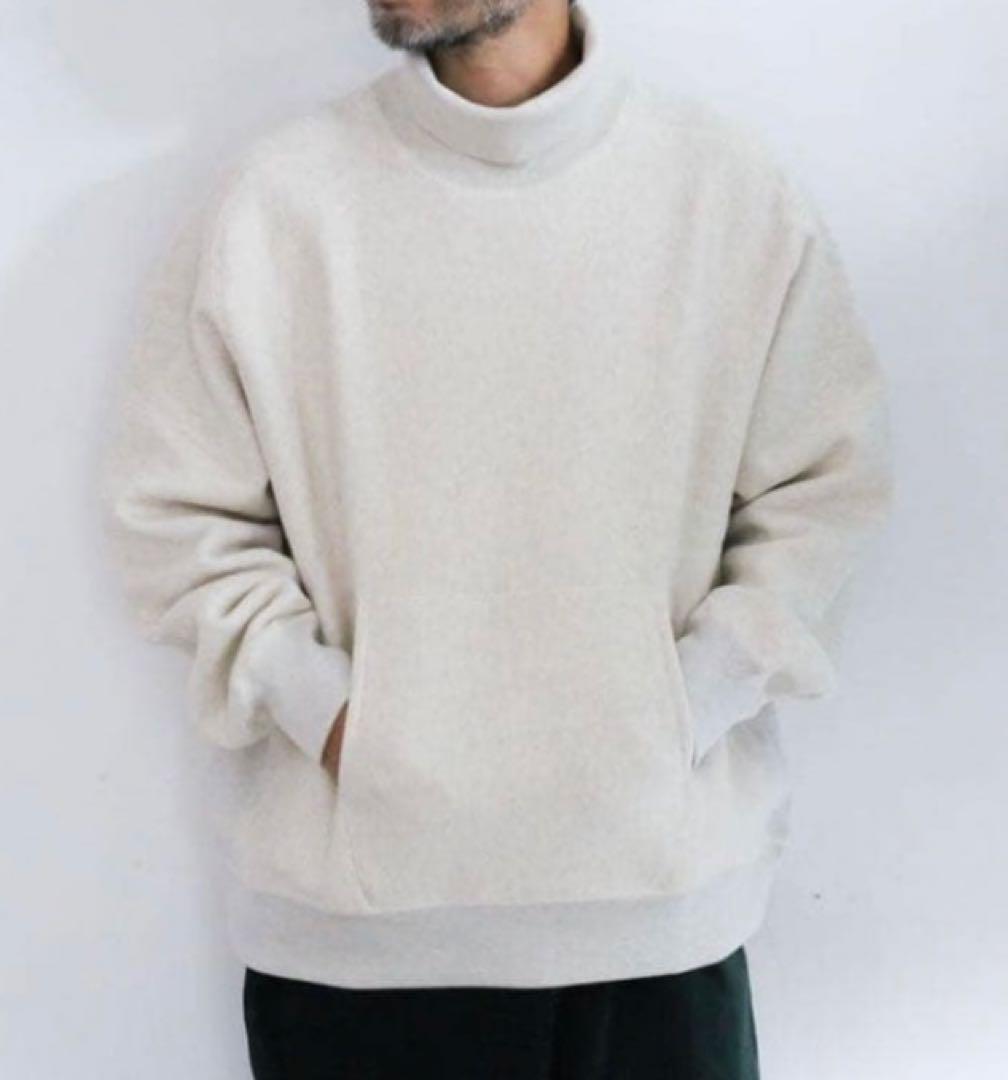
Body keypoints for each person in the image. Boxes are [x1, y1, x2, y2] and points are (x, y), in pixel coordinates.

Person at [100, 0, 895, 1075]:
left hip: (656, 932)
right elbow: (175, 512)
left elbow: (826, 490)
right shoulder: (278, 202)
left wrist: (680, 709)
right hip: (356, 954)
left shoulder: (727, 193)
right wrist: (340, 722)